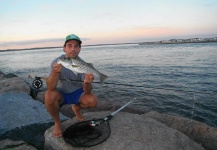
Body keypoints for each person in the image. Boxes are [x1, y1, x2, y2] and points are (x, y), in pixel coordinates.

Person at [45, 34, 98, 137]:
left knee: (93, 101)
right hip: (61, 92)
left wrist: (87, 83)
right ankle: (57, 122)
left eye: (76, 46)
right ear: (64, 48)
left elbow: (87, 91)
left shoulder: (83, 64)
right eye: (69, 45)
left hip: (77, 93)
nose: (73, 49)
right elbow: (50, 87)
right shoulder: (57, 62)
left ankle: (76, 109)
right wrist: (55, 73)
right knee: (49, 95)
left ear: (79, 49)